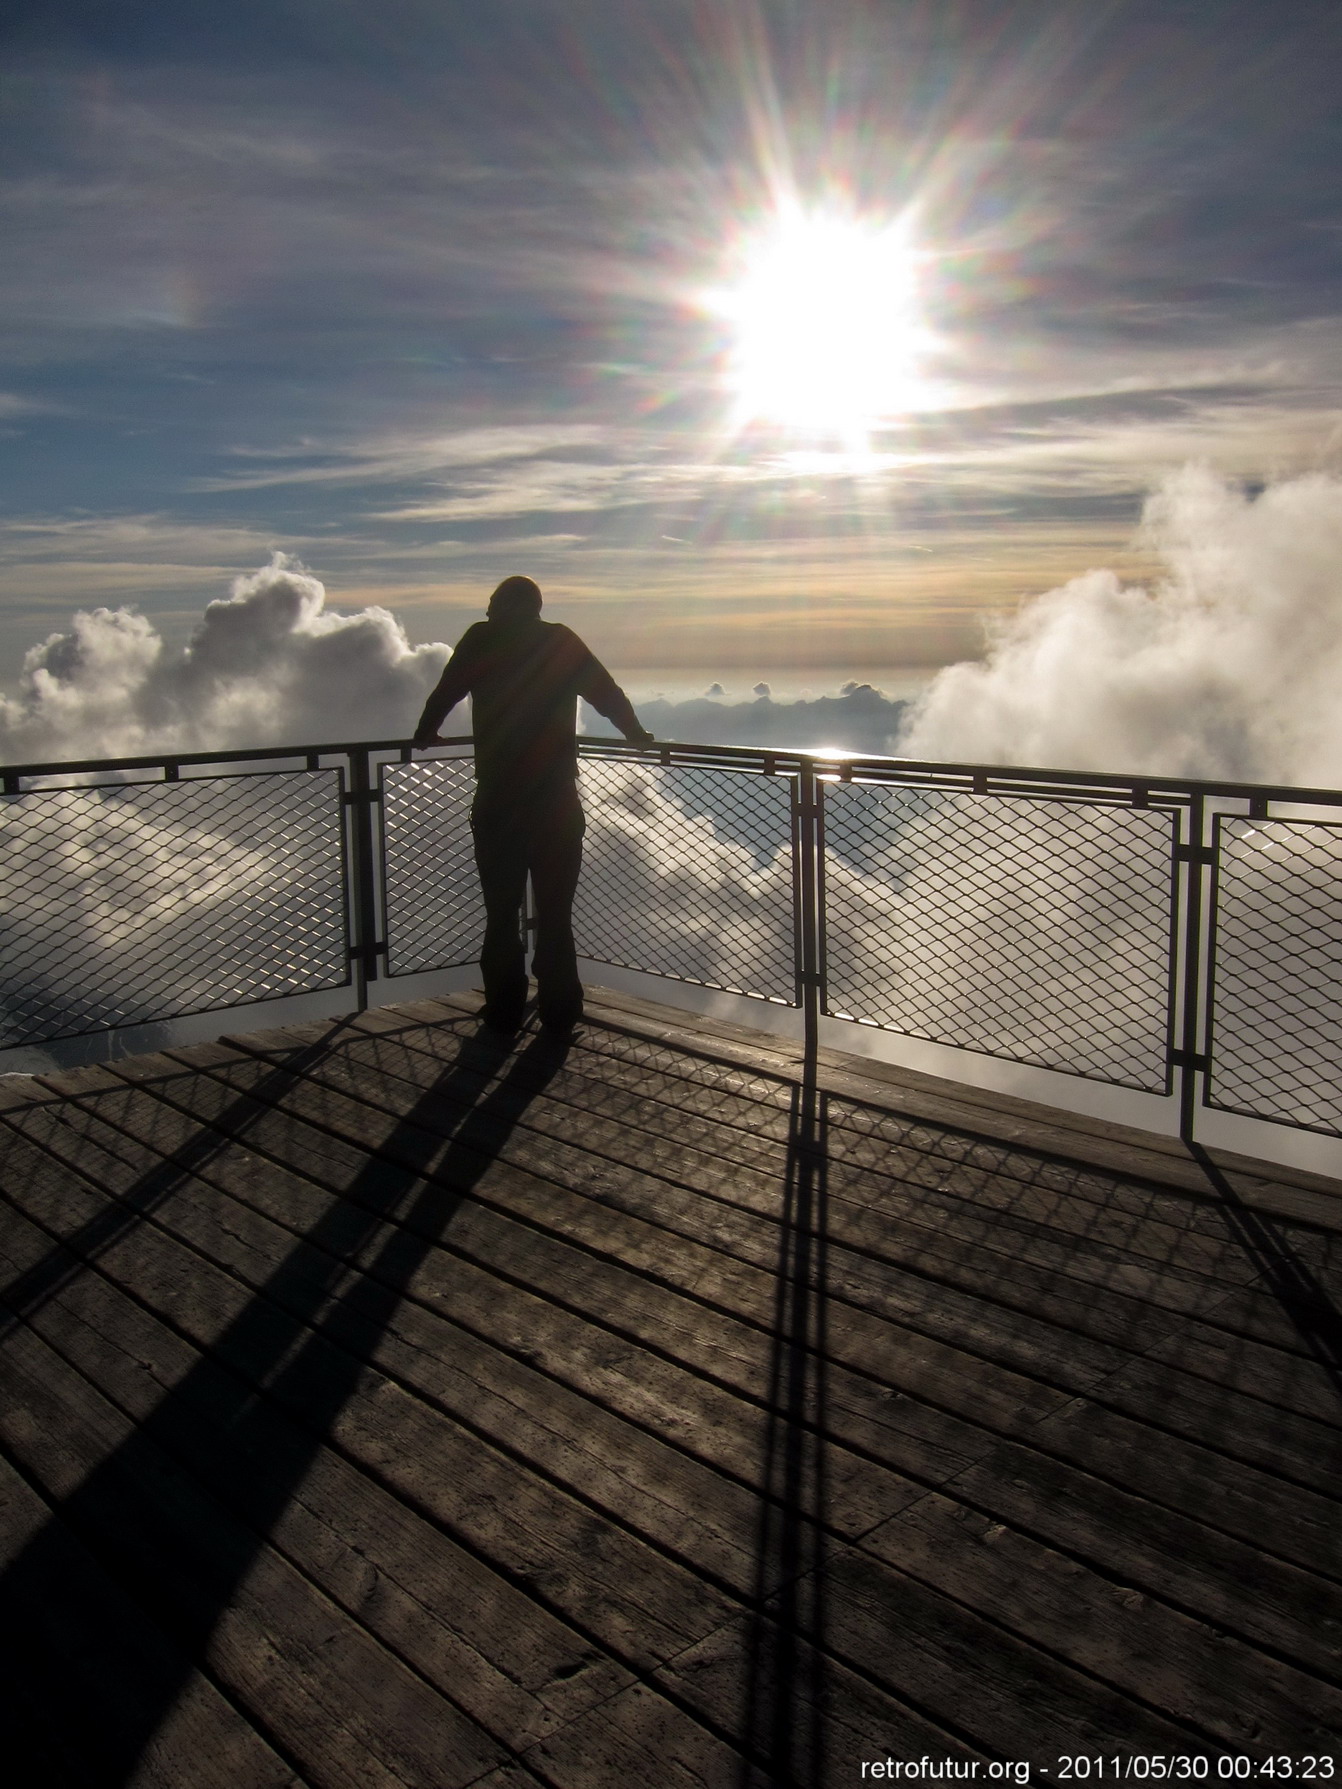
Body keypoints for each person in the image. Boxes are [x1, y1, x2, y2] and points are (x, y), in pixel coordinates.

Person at [412, 575, 654, 1034]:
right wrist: (636, 735)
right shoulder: (559, 641)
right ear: (536, 607)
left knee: (501, 910)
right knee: (555, 909)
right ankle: (560, 1007)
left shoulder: (482, 639)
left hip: (499, 797)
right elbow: (606, 694)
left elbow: (446, 692)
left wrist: (425, 732)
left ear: (499, 607)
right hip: (556, 799)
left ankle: (504, 1006)